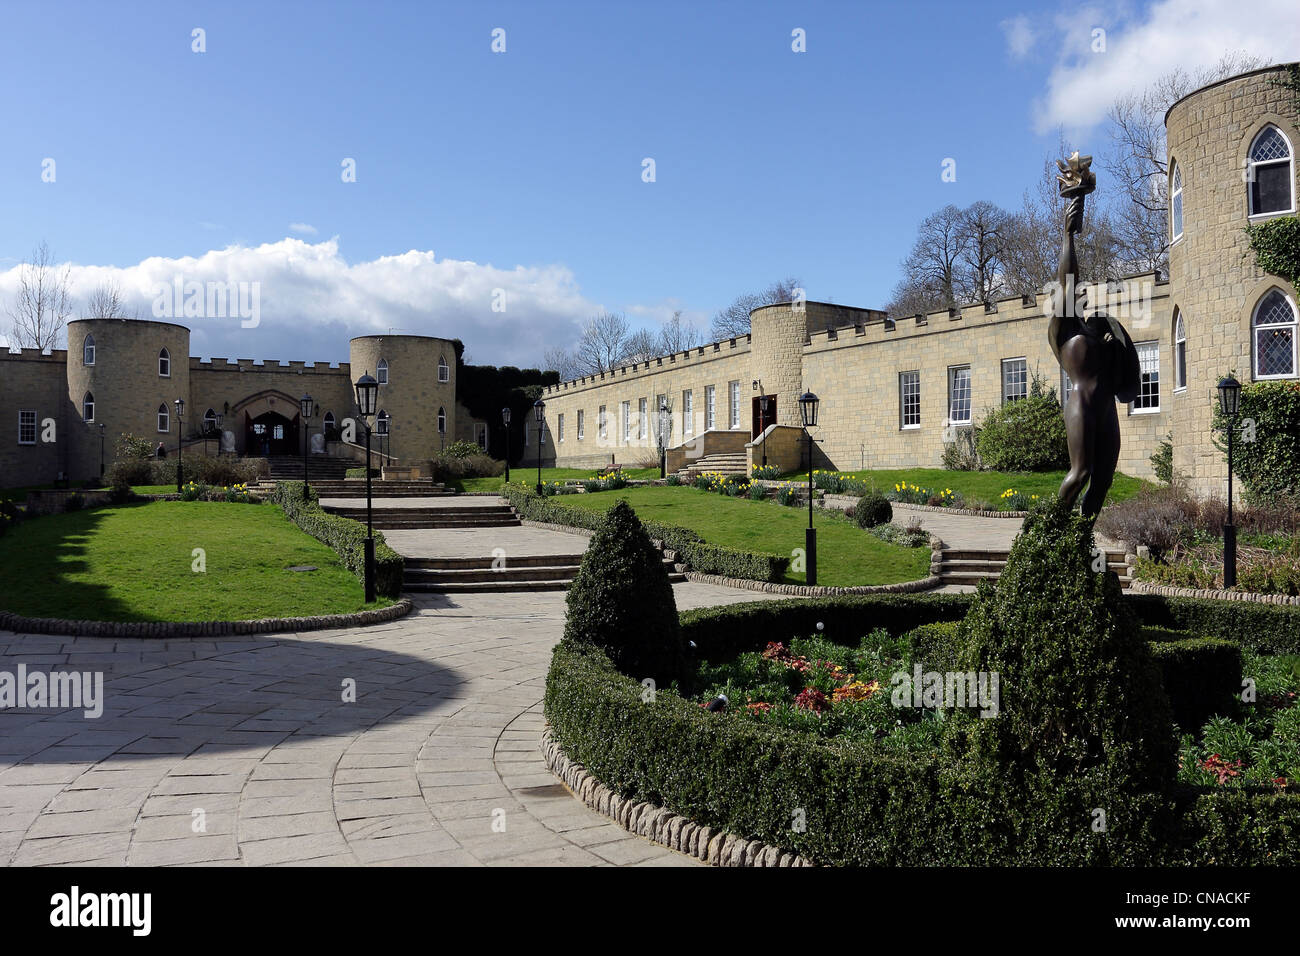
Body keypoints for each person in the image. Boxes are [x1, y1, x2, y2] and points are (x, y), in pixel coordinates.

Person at [1048, 153, 1138, 519]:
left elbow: (1125, 370)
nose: (1079, 293)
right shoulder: (1063, 331)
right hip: (1082, 405)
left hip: (1107, 410)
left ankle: (1079, 544)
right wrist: (1068, 234)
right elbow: (1067, 278)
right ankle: (1050, 534)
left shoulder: (1097, 330)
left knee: (1102, 481)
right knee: (1081, 473)